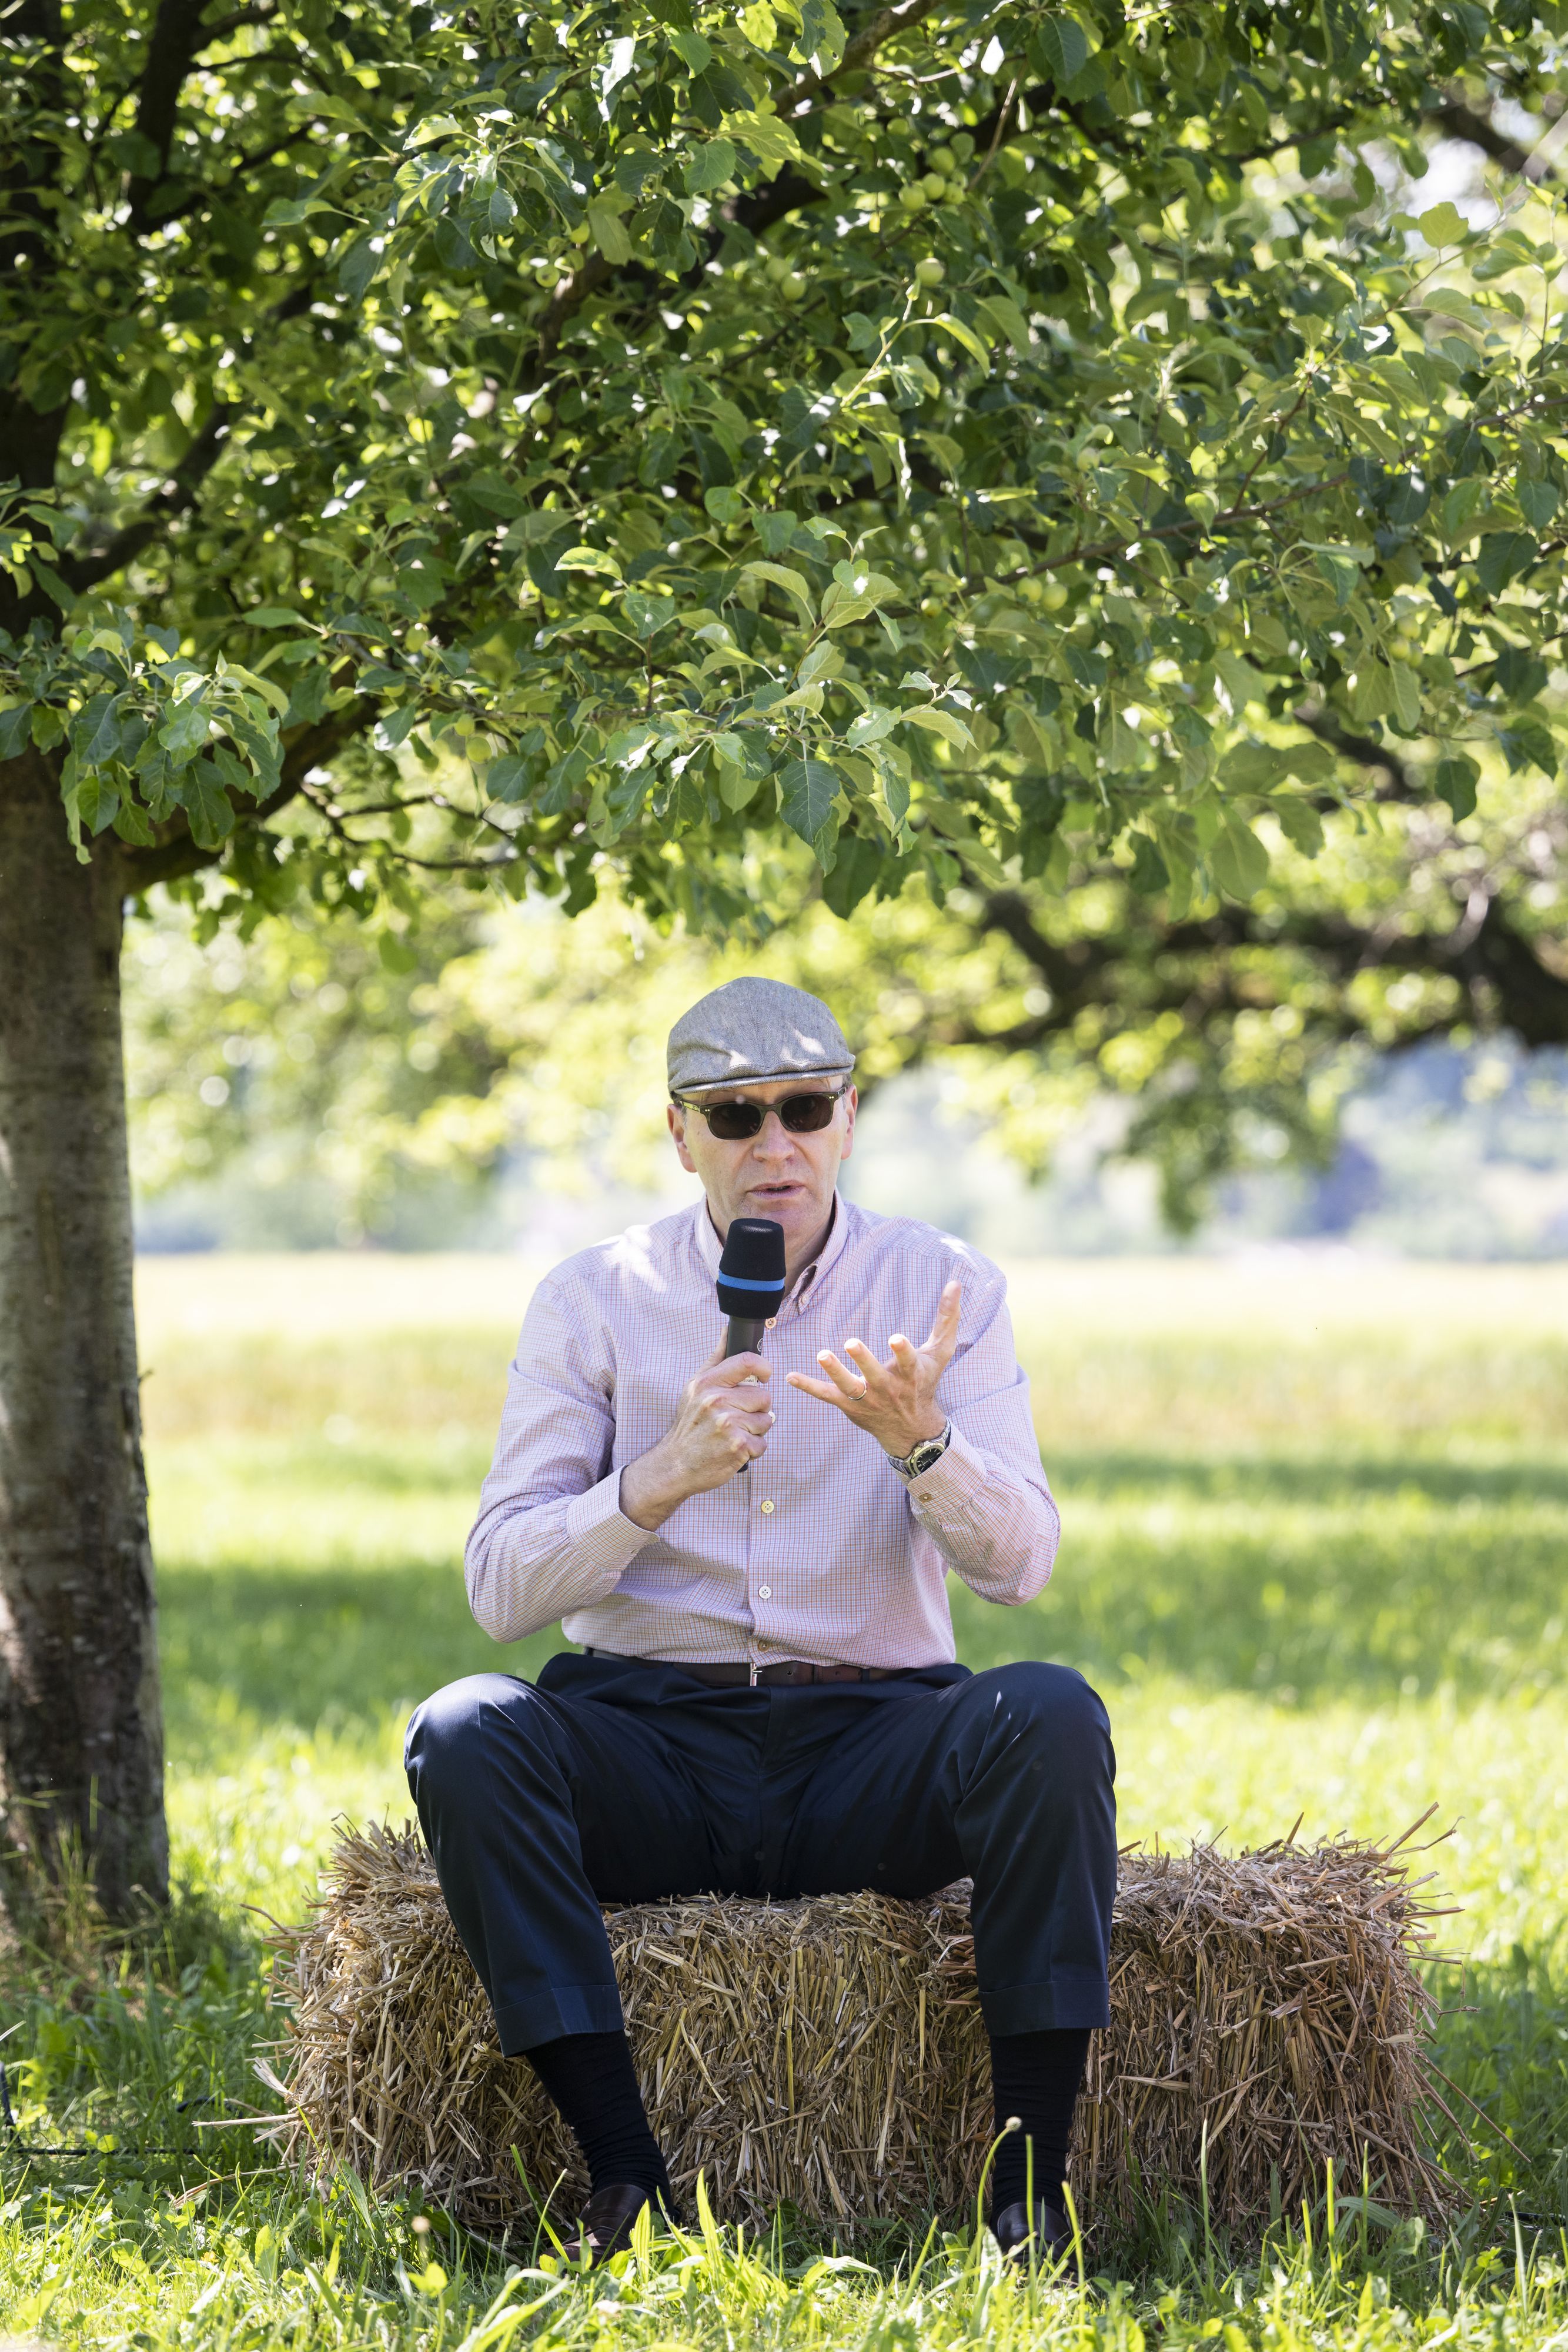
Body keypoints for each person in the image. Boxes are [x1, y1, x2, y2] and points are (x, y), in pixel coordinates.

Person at [406, 977, 1116, 2267]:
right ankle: (621, 2170)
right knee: (464, 1727)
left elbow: (1021, 1566)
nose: (772, 1143)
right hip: (648, 1744)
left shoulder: (945, 1284)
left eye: (803, 1106)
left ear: (849, 1117)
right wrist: (652, 1479)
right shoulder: (593, 1296)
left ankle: (1029, 2189)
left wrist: (925, 1447)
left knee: (1049, 1713)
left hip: (871, 1744)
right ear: (680, 1133)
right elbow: (501, 1589)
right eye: (735, 1114)